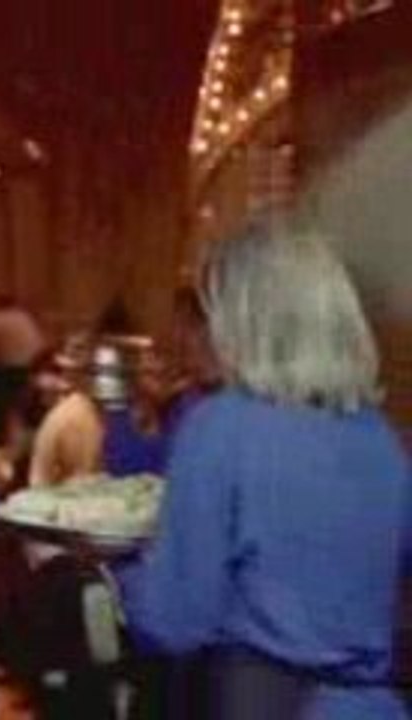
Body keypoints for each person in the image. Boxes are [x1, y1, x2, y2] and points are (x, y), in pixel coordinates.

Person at [116, 226, 412, 719]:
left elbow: (175, 619)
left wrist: (118, 580)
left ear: (244, 320)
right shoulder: (381, 438)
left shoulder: (221, 425)